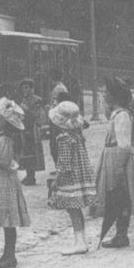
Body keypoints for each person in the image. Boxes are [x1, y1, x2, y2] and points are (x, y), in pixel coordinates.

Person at [0, 97, 31, 268]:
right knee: (8, 221)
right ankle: (8, 254)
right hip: (7, 179)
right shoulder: (8, 138)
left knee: (8, 220)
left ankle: (9, 255)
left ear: (5, 121)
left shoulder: (4, 138)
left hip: (3, 180)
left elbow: (4, 160)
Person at [95, 76, 134, 248]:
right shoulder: (116, 114)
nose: (103, 95)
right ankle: (119, 234)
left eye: (106, 93)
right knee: (117, 196)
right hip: (112, 156)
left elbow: (124, 144)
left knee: (120, 196)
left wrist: (120, 168)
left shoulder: (122, 115)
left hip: (118, 158)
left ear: (113, 96)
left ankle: (121, 234)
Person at [47, 100, 97, 255]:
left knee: (73, 209)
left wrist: (57, 180)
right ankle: (80, 239)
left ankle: (80, 242)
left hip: (71, 179)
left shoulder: (64, 139)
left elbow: (64, 163)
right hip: (80, 176)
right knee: (76, 210)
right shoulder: (77, 136)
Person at [16, 78, 47, 186]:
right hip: (25, 128)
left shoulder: (36, 100)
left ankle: (31, 176)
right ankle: (28, 174)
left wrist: (25, 110)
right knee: (26, 151)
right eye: (23, 88)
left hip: (32, 129)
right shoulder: (24, 99)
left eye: (27, 88)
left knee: (31, 151)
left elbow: (36, 115)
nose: (25, 90)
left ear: (32, 89)